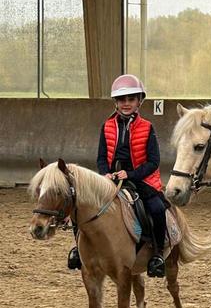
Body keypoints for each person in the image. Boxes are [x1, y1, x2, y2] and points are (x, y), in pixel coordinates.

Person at [67, 74, 168, 278]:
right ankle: (78, 249)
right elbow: (101, 157)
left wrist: (130, 174)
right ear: (116, 103)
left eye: (131, 99)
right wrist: (106, 174)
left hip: (140, 179)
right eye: (122, 100)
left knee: (157, 208)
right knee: (80, 204)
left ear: (139, 101)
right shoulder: (107, 126)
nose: (126, 103)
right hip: (110, 179)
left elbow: (153, 162)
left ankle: (157, 254)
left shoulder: (148, 128)